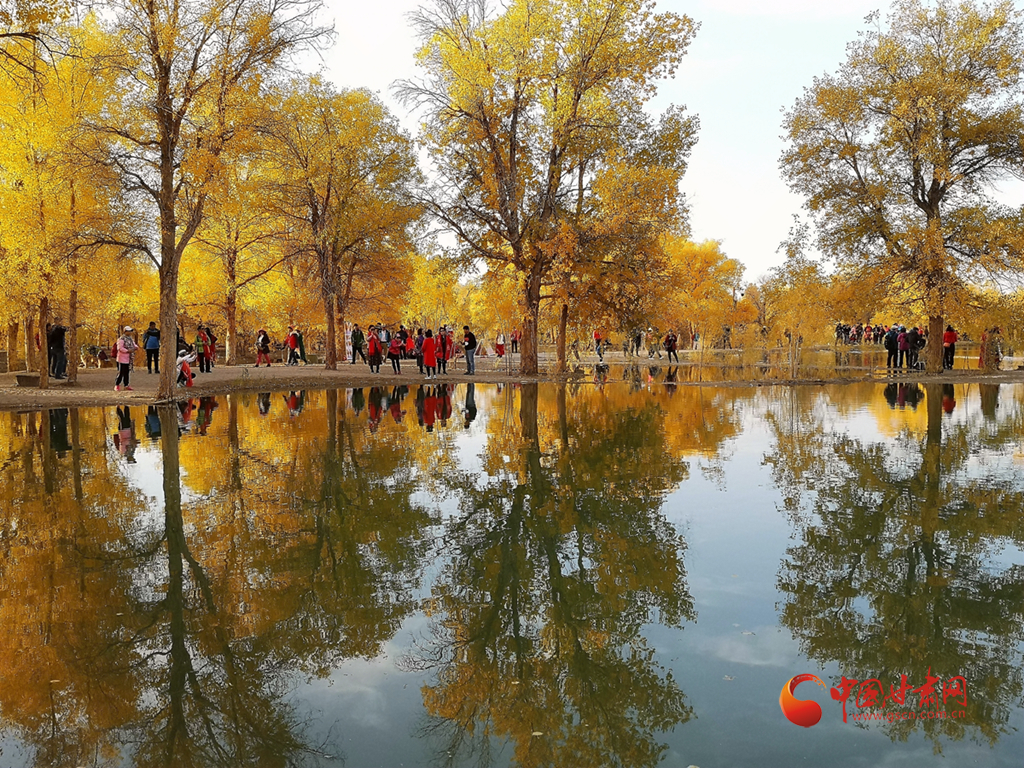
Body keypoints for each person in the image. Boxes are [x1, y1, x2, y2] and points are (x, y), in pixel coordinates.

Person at [114, 326, 138, 391]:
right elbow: (120, 348)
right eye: (128, 331)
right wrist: (127, 351)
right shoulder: (121, 339)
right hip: (122, 358)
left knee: (127, 372)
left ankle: (126, 385)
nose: (130, 332)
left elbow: (133, 345)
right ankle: (117, 384)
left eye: (130, 331)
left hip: (129, 358)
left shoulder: (130, 339)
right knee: (121, 372)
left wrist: (136, 347)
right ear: (125, 332)